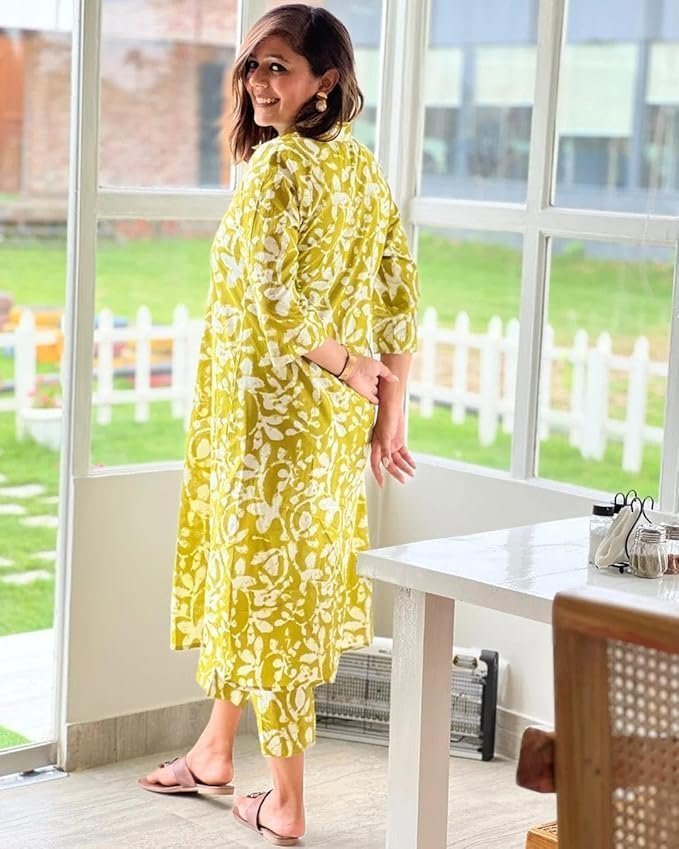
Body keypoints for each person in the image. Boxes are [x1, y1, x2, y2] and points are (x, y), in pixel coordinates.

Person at [138, 4, 419, 844]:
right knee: (266, 582)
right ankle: (213, 751)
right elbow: (401, 292)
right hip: (320, 426)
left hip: (264, 422)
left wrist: (351, 366)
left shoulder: (277, 168)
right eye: (253, 65)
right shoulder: (358, 167)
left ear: (324, 81)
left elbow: (271, 300)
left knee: (271, 600)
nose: (259, 83)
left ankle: (287, 801)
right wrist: (387, 410)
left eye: (279, 68)